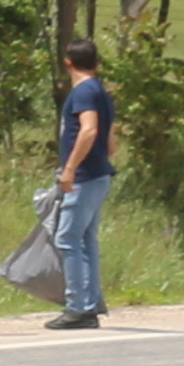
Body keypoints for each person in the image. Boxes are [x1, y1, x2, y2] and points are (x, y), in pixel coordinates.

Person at [47, 37, 120, 327]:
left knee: (67, 238)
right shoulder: (102, 92)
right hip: (99, 173)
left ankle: (78, 307)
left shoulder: (84, 93)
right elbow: (111, 143)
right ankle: (90, 303)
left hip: (84, 177)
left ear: (68, 63)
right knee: (86, 239)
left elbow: (88, 131)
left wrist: (70, 169)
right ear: (97, 63)